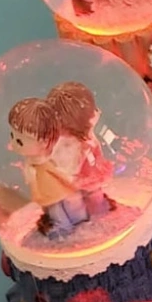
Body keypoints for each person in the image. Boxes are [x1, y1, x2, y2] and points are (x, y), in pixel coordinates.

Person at [7, 98, 87, 239]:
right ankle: (67, 225)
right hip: (49, 187)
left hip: (51, 186)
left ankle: (69, 225)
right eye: (12, 135)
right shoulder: (36, 161)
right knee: (56, 207)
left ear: (44, 142)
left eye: (19, 141)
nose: (12, 143)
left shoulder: (44, 160)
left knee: (59, 206)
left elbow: (56, 169)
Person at [46, 81, 115, 218]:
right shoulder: (65, 142)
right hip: (75, 175)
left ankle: (97, 212)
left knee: (93, 194)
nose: (97, 112)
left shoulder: (82, 132)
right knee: (75, 199)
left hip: (88, 169)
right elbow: (61, 163)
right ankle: (81, 218)